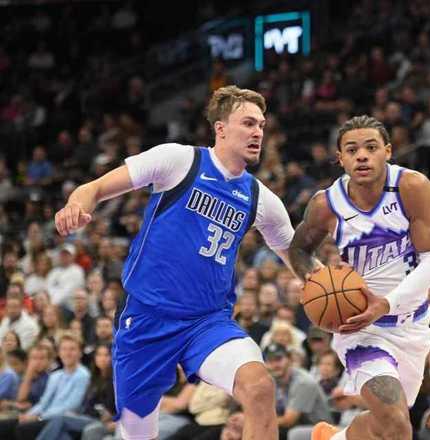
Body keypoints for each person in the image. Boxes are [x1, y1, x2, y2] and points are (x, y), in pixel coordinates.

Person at [54, 85, 296, 440]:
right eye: (248, 123)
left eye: (261, 124)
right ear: (221, 128)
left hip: (206, 322)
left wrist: (332, 286)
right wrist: (76, 205)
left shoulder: (261, 198)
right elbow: (94, 188)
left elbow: (297, 255)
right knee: (138, 434)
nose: (258, 132)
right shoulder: (179, 160)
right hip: (147, 320)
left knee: (259, 387)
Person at [288, 115, 430, 440]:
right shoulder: (326, 204)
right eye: (352, 150)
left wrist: (385, 304)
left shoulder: (411, 187)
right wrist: (318, 278)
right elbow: (299, 249)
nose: (362, 156)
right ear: (340, 158)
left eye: (371, 147)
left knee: (387, 426)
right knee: (397, 426)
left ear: (387, 151)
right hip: (360, 328)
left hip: (412, 325)